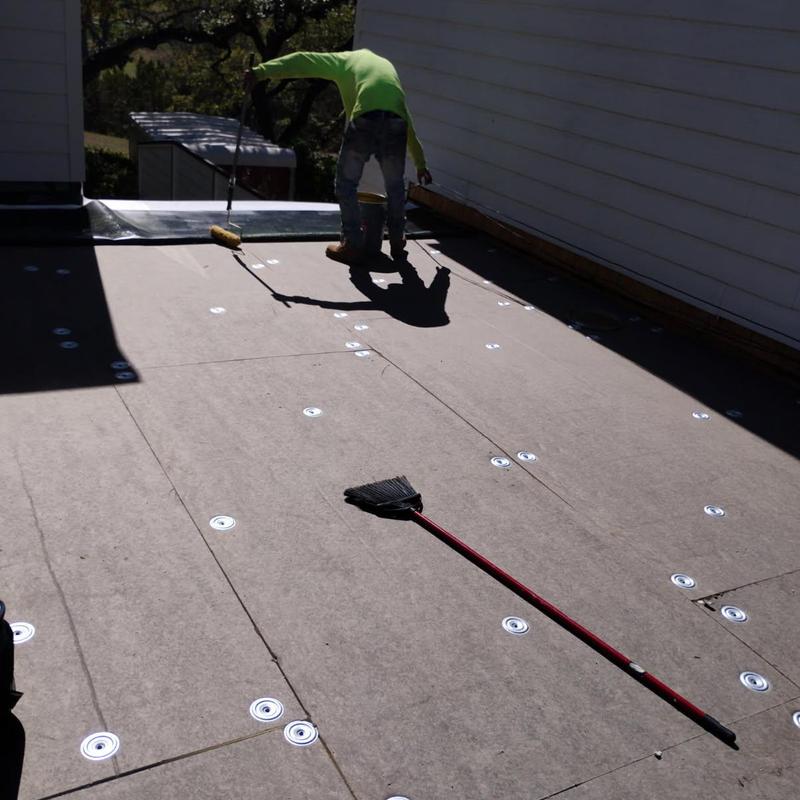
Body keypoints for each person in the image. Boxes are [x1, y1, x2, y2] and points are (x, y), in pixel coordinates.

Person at [245, 49, 432, 264]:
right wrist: (421, 164)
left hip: (365, 118)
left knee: (346, 183)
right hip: (396, 120)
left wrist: (259, 72)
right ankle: (398, 241)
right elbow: (408, 126)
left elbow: (302, 61)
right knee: (395, 184)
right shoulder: (386, 73)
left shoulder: (344, 62)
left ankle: (352, 244)